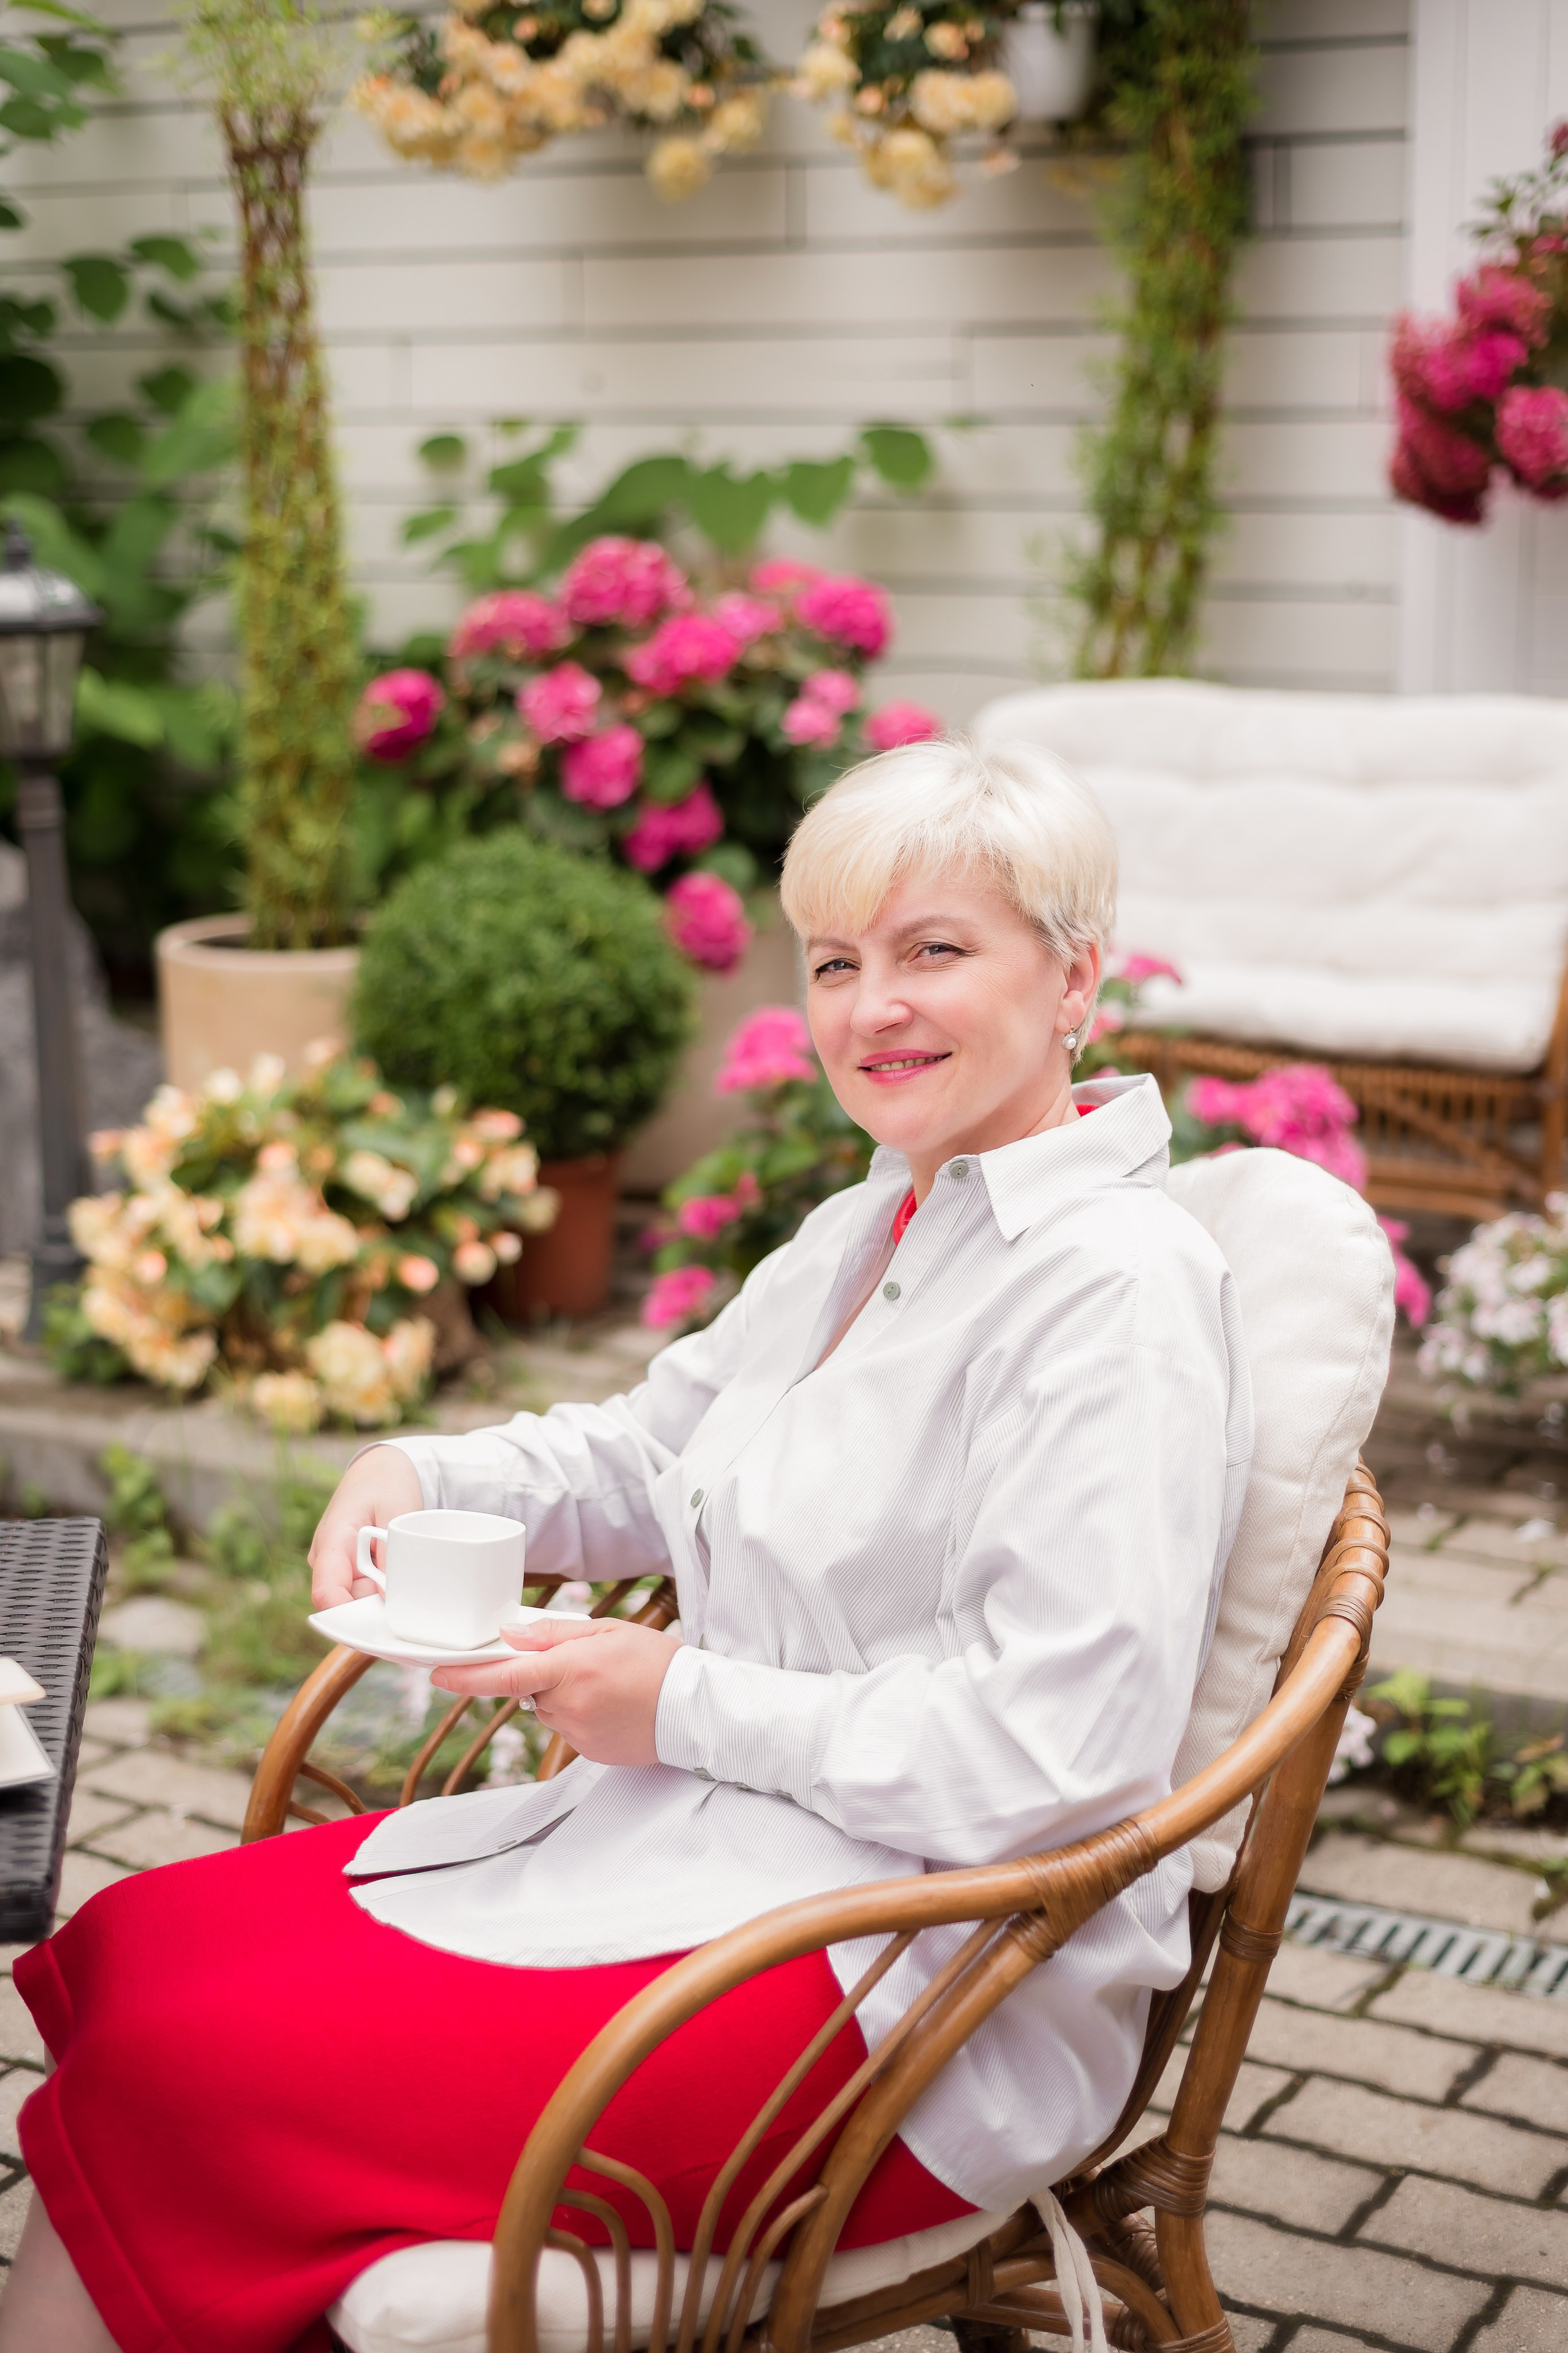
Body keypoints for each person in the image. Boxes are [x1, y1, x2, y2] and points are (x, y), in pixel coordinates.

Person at [0, 737, 1250, 2353]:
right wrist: (426, 1464)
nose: (876, 1009)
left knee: (194, 2059)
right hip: (715, 1859)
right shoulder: (870, 1218)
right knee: (144, 1942)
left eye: (938, 950)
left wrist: (683, 1703)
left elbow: (1062, 1745)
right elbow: (658, 1452)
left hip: (915, 1989)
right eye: (839, 963)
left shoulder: (1115, 1289)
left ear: (1076, 976)